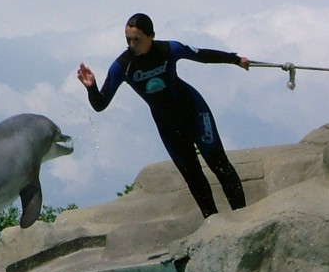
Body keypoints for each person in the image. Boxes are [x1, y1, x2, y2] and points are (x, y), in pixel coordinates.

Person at [77, 12, 249, 218]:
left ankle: (243, 217)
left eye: (137, 40)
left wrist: (236, 59)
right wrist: (91, 87)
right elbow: (100, 104)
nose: (131, 45)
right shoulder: (122, 66)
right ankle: (213, 222)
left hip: (193, 110)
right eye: (128, 39)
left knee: (219, 164)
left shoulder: (169, 49)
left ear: (151, 36)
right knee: (192, 175)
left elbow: (201, 55)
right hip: (168, 125)